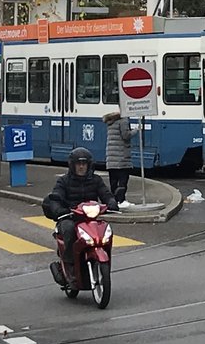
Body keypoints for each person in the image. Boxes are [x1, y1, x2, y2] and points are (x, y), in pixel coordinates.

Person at [42, 147, 117, 281]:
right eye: (78, 164)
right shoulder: (64, 181)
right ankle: (70, 263)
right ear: (72, 165)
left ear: (89, 165)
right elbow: (56, 196)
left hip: (90, 218)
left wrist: (111, 202)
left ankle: (104, 257)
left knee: (105, 229)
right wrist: (59, 209)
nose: (81, 167)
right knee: (69, 229)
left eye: (84, 164)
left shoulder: (96, 180)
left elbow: (105, 193)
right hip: (70, 217)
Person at [102, 109, 137, 204]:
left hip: (111, 158)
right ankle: (121, 201)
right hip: (121, 157)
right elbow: (126, 136)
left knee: (113, 181)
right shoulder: (124, 120)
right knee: (123, 180)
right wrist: (136, 130)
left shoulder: (111, 121)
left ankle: (115, 201)